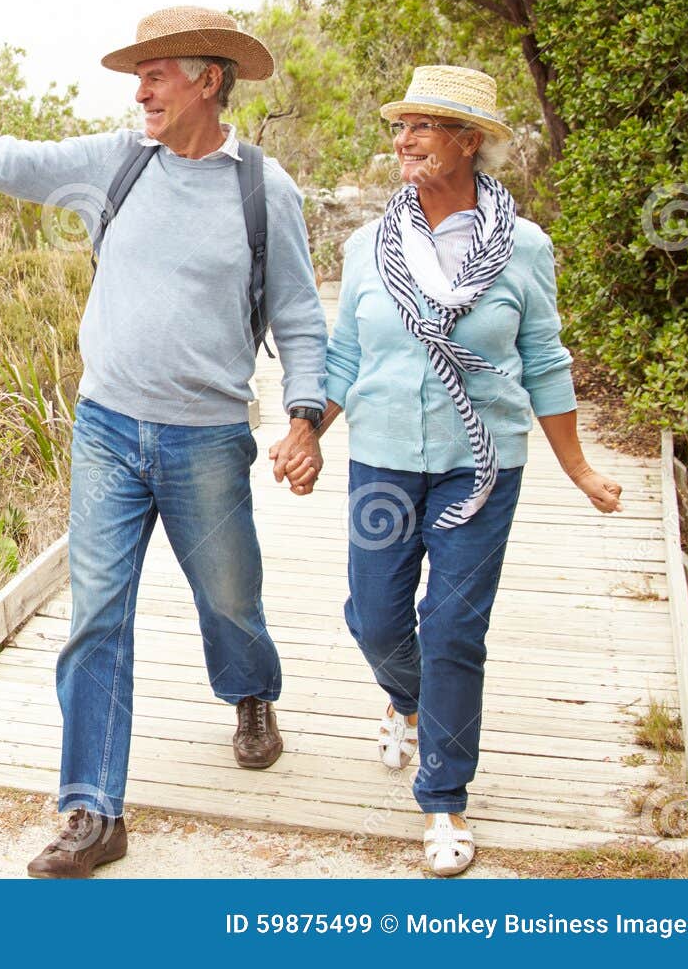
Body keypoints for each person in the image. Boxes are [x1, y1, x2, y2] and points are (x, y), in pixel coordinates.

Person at [0, 6, 329, 878]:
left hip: (207, 438)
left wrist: (307, 417)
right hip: (106, 430)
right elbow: (9, 161)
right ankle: (93, 810)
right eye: (139, 77)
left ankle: (250, 691)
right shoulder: (116, 162)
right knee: (97, 614)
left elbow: (301, 316)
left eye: (157, 74)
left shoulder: (262, 189)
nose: (141, 91)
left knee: (230, 597)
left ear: (209, 80)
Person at [278, 64, 624, 876]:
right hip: (385, 463)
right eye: (399, 128)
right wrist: (308, 430)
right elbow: (348, 355)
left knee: (454, 629)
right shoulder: (371, 245)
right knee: (375, 619)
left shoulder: (524, 247)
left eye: (423, 127)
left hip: (484, 466)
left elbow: (544, 357)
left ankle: (444, 799)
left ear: (469, 142)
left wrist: (576, 466)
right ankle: (408, 699)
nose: (403, 141)